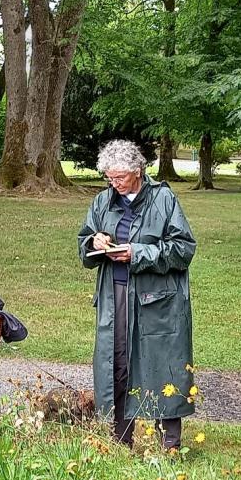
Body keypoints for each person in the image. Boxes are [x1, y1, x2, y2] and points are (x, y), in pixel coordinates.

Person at [77, 140, 197, 451]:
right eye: (109, 177)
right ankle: (119, 437)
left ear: (138, 172)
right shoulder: (103, 201)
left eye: (119, 178)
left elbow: (183, 249)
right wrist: (96, 241)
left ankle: (169, 441)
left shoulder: (163, 199)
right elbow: (83, 244)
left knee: (161, 363)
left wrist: (137, 252)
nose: (113, 184)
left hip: (156, 299)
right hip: (114, 295)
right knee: (115, 363)